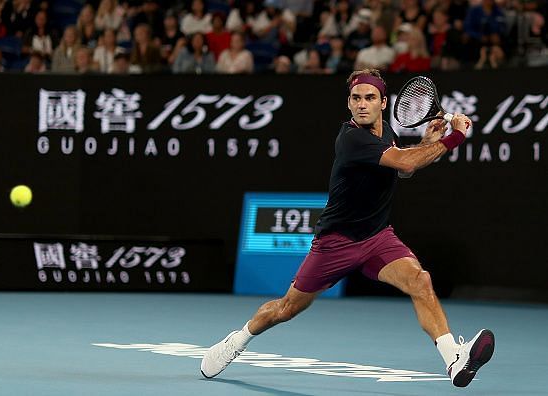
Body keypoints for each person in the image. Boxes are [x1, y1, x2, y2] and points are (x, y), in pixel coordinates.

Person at [201, 68, 495, 389]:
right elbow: (407, 164)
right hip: (335, 243)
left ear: (384, 102)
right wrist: (454, 137)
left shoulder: (386, 136)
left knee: (419, 280)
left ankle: (454, 357)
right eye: (356, 98)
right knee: (285, 309)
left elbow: (403, 171)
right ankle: (239, 339)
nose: (362, 104)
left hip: (377, 237)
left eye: (370, 98)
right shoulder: (351, 137)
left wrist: (427, 141)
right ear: (349, 103)